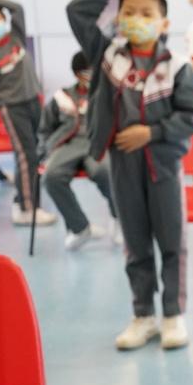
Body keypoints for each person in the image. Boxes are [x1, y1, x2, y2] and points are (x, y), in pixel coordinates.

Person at [67, 0, 193, 351]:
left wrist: (152, 132)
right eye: (128, 12)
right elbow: (76, 12)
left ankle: (173, 314)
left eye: (147, 14)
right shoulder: (107, 56)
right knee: (135, 242)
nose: (136, 19)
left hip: (163, 164)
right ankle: (143, 314)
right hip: (123, 165)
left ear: (164, 24)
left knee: (172, 241)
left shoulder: (177, 66)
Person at [0, 0, 58, 226]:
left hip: (33, 101)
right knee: (25, 156)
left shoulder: (16, 37)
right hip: (11, 108)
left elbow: (17, 8)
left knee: (37, 151)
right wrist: (4, 103)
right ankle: (28, 209)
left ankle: (22, 199)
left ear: (3, 18)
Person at [38, 51, 117, 251]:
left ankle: (119, 218)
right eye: (85, 72)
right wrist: (45, 151)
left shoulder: (108, 94)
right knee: (51, 177)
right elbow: (44, 129)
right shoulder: (61, 97)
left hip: (97, 144)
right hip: (67, 144)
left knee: (107, 172)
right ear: (76, 74)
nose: (90, 76)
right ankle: (80, 227)